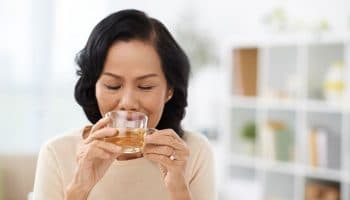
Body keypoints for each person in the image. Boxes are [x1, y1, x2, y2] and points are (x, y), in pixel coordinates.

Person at [32, 9, 216, 200]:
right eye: (113, 86)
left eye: (145, 86)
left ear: (169, 90)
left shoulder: (194, 152)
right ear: (93, 87)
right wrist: (79, 187)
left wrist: (179, 189)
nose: (128, 103)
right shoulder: (57, 153)